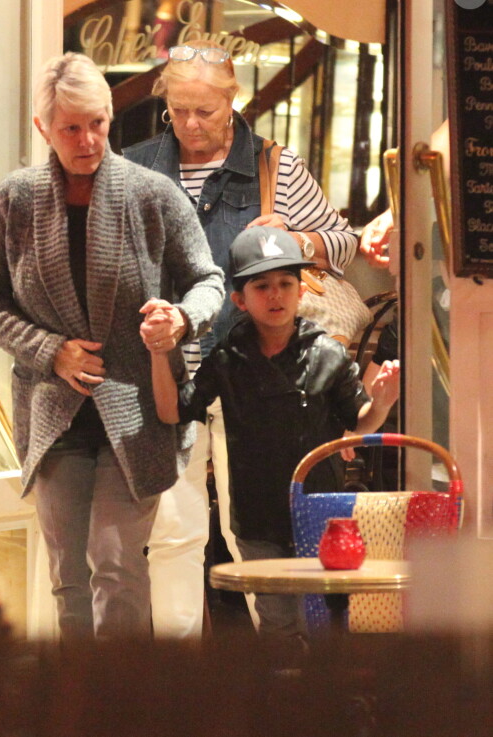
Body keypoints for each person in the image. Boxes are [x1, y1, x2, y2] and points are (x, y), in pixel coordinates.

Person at [0, 52, 224, 641]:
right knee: (67, 578)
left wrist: (180, 320)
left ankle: (121, 710)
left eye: (98, 124)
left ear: (111, 118)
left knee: (116, 566)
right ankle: (74, 708)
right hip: (54, 414)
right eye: (70, 128)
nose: (87, 139)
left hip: (134, 414)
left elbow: (209, 280)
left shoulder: (150, 194)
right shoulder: (17, 200)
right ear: (43, 129)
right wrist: (48, 349)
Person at [124, 39, 358, 639]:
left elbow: (343, 241)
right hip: (168, 374)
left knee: (252, 529)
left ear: (233, 102)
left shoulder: (274, 167)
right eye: (178, 110)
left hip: (253, 376)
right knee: (173, 532)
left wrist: (296, 238)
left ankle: (278, 673)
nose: (190, 124)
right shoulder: (138, 167)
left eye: (204, 109)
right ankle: (176, 677)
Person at [142, 226, 399, 645]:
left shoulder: (327, 354)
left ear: (302, 291)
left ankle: (325, 708)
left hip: (321, 515)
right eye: (262, 286)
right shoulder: (227, 358)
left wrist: (382, 402)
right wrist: (158, 352)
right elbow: (172, 410)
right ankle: (283, 708)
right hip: (258, 520)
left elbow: (360, 421)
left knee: (326, 625)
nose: (276, 295)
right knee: (278, 626)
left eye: (285, 283)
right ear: (239, 299)